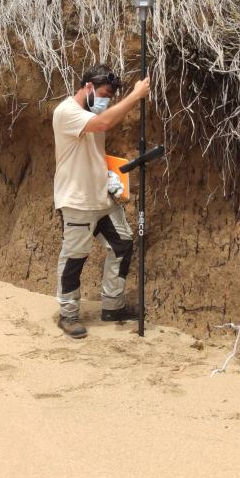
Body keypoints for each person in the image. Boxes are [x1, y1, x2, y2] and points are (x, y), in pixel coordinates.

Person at [51, 65, 150, 339]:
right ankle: (68, 315)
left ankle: (112, 307)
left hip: (101, 198)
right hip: (77, 201)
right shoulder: (66, 113)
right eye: (105, 94)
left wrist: (110, 176)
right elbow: (105, 122)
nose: (107, 100)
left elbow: (91, 152)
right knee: (74, 258)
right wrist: (135, 95)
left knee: (123, 243)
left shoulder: (91, 114)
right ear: (89, 87)